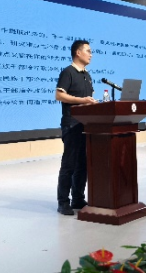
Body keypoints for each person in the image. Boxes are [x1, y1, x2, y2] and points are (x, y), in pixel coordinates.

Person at [55, 40, 97, 215]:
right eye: (88, 51)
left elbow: (88, 99)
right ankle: (63, 202)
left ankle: (78, 198)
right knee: (69, 164)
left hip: (85, 125)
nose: (91, 54)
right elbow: (59, 95)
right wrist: (83, 100)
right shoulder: (68, 72)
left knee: (83, 164)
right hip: (71, 124)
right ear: (78, 53)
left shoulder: (87, 75)